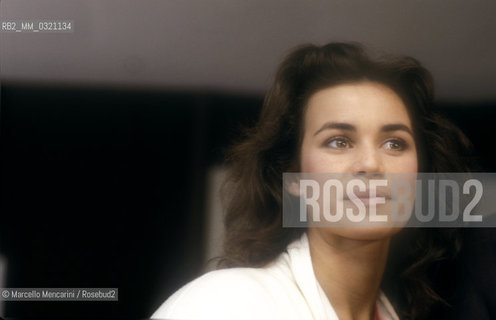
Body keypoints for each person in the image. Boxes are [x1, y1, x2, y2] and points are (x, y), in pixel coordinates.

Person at [152, 42, 474, 320]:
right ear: (292, 177)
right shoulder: (227, 303)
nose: (371, 164)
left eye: (395, 143)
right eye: (339, 141)